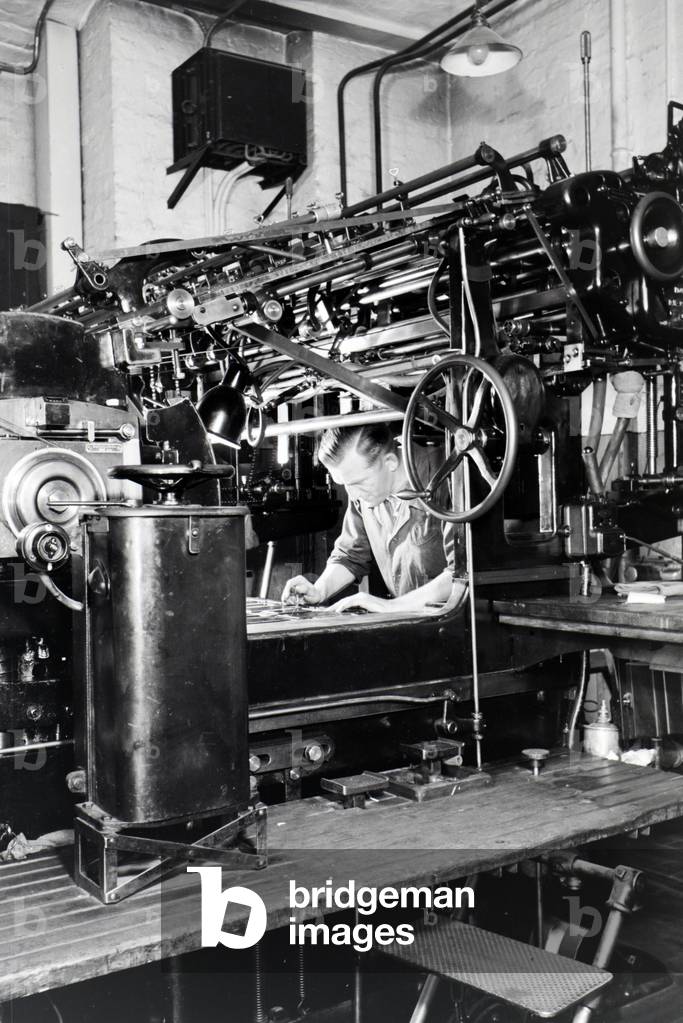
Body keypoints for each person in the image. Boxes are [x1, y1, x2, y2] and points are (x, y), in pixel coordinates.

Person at [281, 424, 465, 614]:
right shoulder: (363, 491)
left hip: (465, 624)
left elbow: (462, 575)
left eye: (357, 483)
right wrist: (319, 590)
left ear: (390, 462)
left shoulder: (451, 477)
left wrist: (390, 606)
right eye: (345, 485)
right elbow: (350, 556)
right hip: (412, 625)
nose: (352, 495)